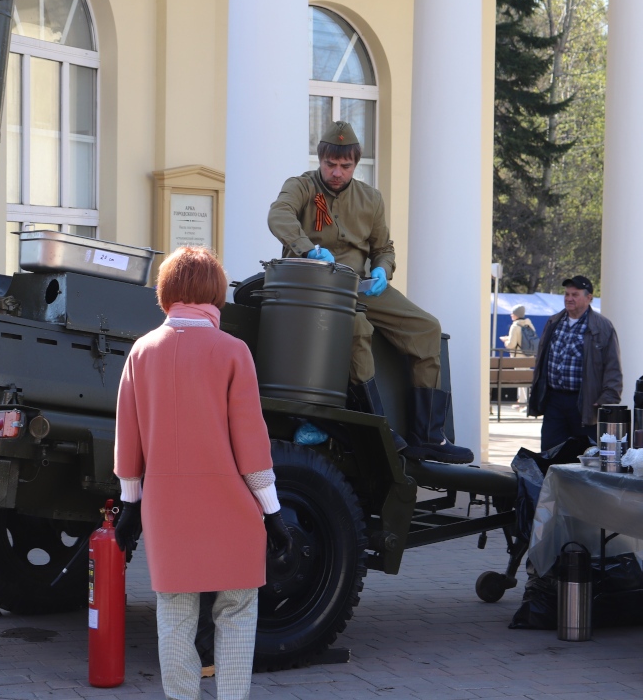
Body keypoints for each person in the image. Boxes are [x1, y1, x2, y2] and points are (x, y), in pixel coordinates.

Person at [113, 246, 294, 700]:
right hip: (231, 510)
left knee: (174, 613)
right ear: (216, 295)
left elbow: (128, 440)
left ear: (166, 293)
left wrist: (129, 508)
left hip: (166, 512)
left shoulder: (141, 352)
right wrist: (273, 515)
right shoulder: (234, 352)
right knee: (236, 609)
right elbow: (252, 447)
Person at [268, 121, 471, 464]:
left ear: (355, 164)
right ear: (320, 159)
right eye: (330, 164)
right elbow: (279, 214)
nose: (336, 173)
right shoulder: (301, 186)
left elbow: (384, 247)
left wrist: (383, 269)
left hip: (362, 286)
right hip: (319, 287)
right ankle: (375, 425)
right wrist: (307, 249)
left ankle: (428, 437)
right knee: (358, 329)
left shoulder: (370, 198)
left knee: (428, 329)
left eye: (345, 166)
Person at [527, 275, 622, 452]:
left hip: (584, 402)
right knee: (550, 453)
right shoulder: (554, 322)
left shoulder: (602, 326)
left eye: (575, 294)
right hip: (554, 400)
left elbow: (613, 365)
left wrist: (608, 397)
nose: (569, 298)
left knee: (585, 454)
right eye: (567, 294)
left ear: (589, 298)